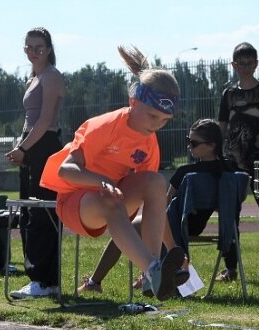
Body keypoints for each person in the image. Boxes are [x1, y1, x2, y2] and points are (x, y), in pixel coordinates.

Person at [37, 45, 187, 302]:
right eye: (152, 116)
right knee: (111, 200)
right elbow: (66, 170)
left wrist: (173, 248)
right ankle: (153, 271)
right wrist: (102, 181)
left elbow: (155, 205)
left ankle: (154, 271)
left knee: (155, 182)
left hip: (113, 198)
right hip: (76, 202)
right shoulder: (104, 127)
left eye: (164, 121)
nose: (156, 126)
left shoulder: (149, 142)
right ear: (133, 102)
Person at [77, 118, 238, 294]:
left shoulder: (186, 173)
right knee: (136, 226)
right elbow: (228, 205)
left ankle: (97, 282)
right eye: (187, 141)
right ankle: (149, 274)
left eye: (193, 143)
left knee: (126, 228)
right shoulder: (230, 172)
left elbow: (163, 205)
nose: (188, 147)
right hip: (196, 226)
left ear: (211, 145)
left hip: (173, 226)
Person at [5, 27, 66, 298]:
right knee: (28, 213)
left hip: (44, 146)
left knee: (42, 213)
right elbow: (29, 121)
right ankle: (39, 278)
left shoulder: (52, 77)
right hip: (31, 145)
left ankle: (45, 279)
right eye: (28, 48)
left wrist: (24, 149)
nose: (33, 53)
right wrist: (20, 147)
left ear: (49, 49)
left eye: (38, 48)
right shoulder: (33, 77)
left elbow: (45, 121)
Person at [217, 42, 259, 284]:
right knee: (229, 214)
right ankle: (230, 267)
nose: (245, 67)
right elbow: (222, 128)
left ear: (256, 64)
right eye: (240, 63)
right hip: (233, 163)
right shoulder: (228, 95)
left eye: (249, 63)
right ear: (234, 66)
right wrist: (216, 158)